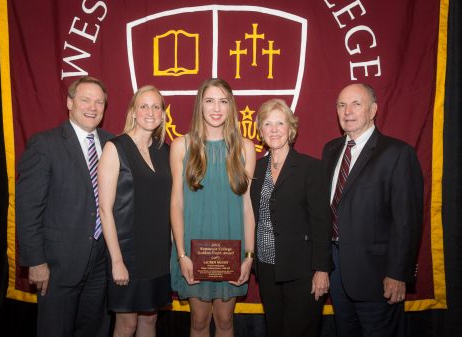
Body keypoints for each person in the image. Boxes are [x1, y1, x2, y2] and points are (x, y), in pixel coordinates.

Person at [322, 83, 424, 337]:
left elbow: (407, 221)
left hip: (378, 276)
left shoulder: (398, 153)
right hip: (336, 271)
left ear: (373, 110)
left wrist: (398, 274)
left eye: (356, 104)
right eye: (342, 105)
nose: (348, 111)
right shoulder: (331, 150)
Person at [16, 76, 113, 337]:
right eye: (85, 100)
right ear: (69, 102)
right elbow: (28, 209)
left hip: (102, 264)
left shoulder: (112, 144)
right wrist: (35, 262)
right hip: (58, 265)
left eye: (99, 102)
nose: (93, 107)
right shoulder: (44, 144)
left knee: (95, 330)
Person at [170, 78, 256, 337]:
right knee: (198, 321)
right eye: (209, 101)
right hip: (193, 250)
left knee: (225, 321)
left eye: (223, 101)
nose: (216, 108)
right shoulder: (181, 146)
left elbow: (248, 207)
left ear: (231, 106)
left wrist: (249, 257)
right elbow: (176, 202)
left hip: (232, 248)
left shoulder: (245, 147)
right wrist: (182, 255)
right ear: (200, 106)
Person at [250, 98, 332, 337]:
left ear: (291, 128)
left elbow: (321, 222)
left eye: (280, 123)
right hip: (266, 269)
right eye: (268, 123)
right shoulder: (255, 169)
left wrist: (322, 269)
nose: (274, 129)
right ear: (261, 130)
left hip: (303, 270)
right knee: (275, 329)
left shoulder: (310, 168)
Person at [98, 85, 172, 337]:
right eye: (144, 106)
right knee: (126, 324)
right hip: (127, 253)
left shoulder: (165, 150)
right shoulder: (114, 147)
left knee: (150, 321)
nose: (150, 112)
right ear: (133, 111)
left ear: (163, 114)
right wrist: (117, 261)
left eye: (156, 106)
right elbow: (105, 210)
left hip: (158, 252)